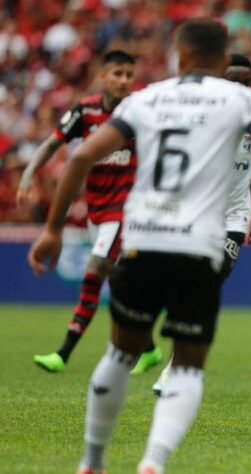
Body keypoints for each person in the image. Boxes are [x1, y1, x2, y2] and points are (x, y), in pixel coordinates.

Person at [28, 18, 251, 474]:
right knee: (188, 368)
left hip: (141, 241)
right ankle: (153, 463)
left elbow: (81, 155)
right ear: (223, 60)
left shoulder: (145, 98)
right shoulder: (242, 98)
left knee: (119, 353)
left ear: (179, 54)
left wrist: (53, 230)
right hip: (199, 247)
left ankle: (92, 461)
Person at [17, 50, 162, 374]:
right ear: (103, 76)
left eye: (129, 74)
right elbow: (53, 143)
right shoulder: (85, 110)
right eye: (118, 74)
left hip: (127, 210)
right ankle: (149, 349)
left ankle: (63, 353)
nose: (124, 80)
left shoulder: (142, 110)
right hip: (97, 211)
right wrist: (28, 175)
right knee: (119, 285)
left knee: (94, 271)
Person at [151, 52, 251, 395]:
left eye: (247, 82)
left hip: (233, 218)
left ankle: (175, 368)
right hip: (193, 215)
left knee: (206, 286)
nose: (242, 88)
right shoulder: (198, 116)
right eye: (235, 81)